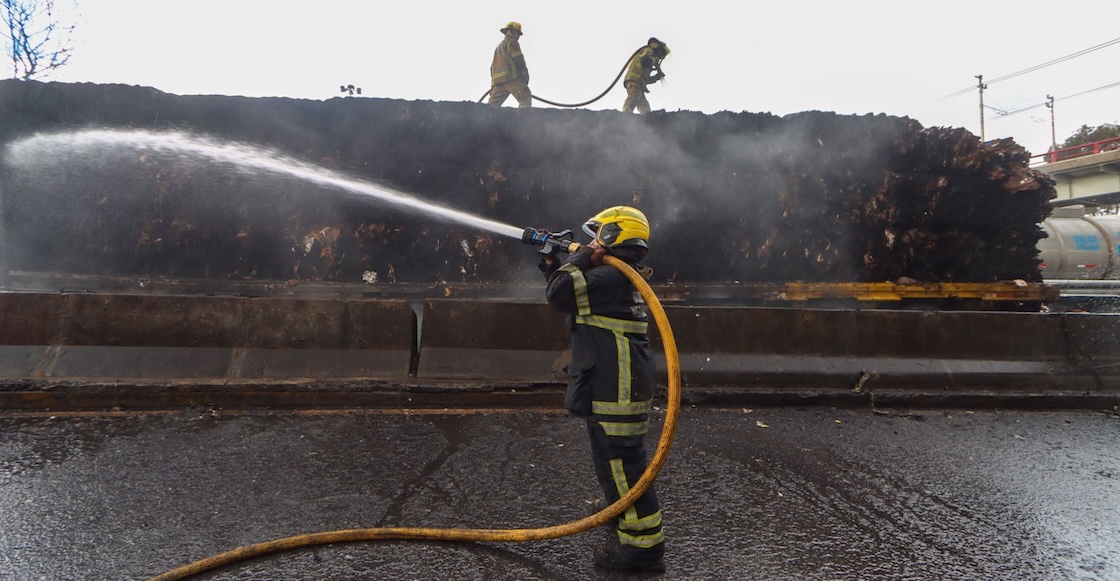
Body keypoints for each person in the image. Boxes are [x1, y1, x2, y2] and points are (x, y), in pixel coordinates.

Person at [539, 206, 666, 572]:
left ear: (613, 238)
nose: (592, 241)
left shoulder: (610, 279)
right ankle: (617, 508)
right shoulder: (614, 277)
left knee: (623, 463)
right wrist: (552, 262)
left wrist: (577, 257)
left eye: (599, 235)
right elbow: (563, 288)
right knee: (612, 460)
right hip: (614, 381)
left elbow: (560, 294)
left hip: (617, 385)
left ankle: (643, 548)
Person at [488, 21, 532, 108]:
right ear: (511, 31)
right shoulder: (512, 42)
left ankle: (484, 119)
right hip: (511, 78)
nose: (518, 36)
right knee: (525, 97)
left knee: (491, 106)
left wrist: (494, 84)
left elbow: (492, 67)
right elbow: (518, 60)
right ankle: (523, 118)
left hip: (498, 81)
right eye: (517, 33)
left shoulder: (498, 47)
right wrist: (525, 75)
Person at [622, 37, 670, 114]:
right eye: (660, 54)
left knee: (643, 104)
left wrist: (656, 77)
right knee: (633, 97)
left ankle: (647, 117)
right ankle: (625, 114)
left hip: (639, 82)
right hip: (634, 80)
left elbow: (645, 79)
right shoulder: (648, 50)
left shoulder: (649, 62)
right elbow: (645, 61)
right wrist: (655, 59)